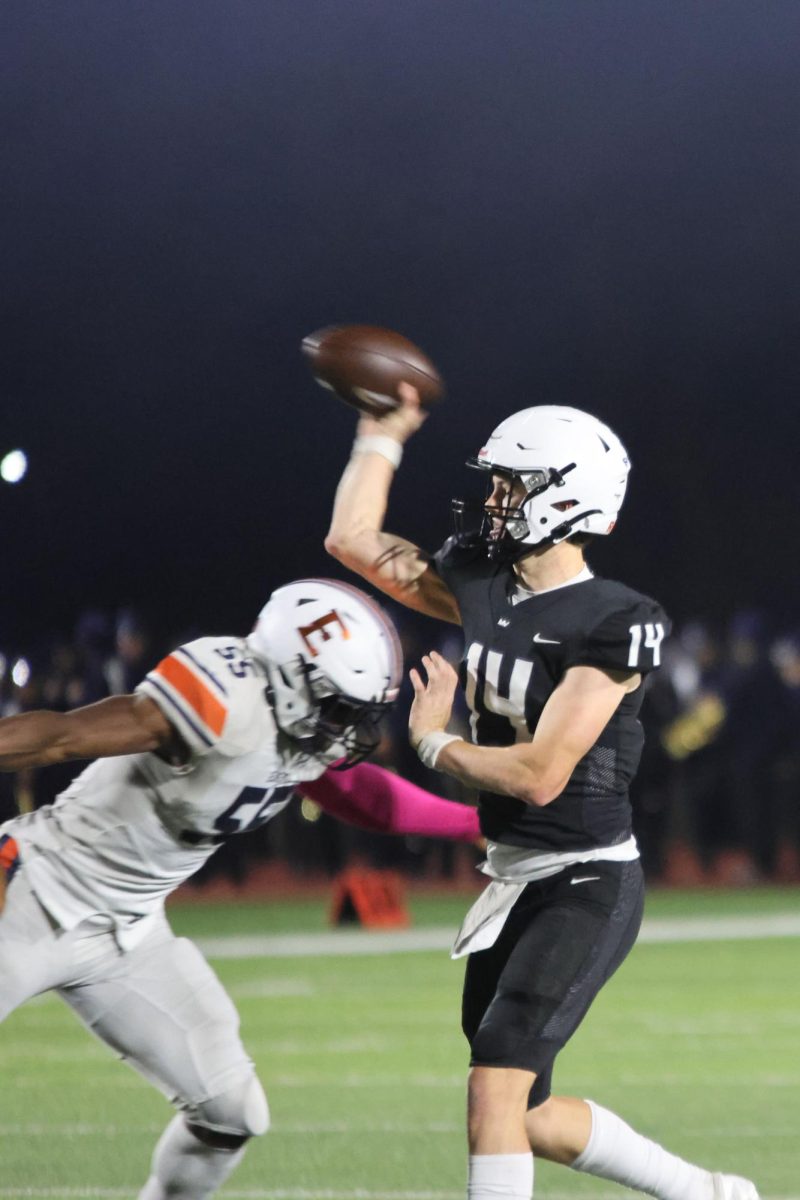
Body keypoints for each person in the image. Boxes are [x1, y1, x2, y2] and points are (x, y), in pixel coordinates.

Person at [325, 391, 758, 1200]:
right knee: (525, 1111)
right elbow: (351, 540)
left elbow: (541, 773)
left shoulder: (617, 620)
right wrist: (377, 437)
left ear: (568, 495)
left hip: (587, 879)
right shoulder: (483, 580)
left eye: (512, 486)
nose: (494, 502)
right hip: (512, 874)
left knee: (492, 1085)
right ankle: (709, 1193)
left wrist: (434, 742)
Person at [0, 576, 480, 1200]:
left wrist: (475, 823)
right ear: (290, 675)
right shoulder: (223, 693)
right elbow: (62, 734)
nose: (349, 729)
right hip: (31, 890)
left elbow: (360, 794)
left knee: (231, 1113)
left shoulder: (303, 727)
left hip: (130, 935)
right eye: (339, 708)